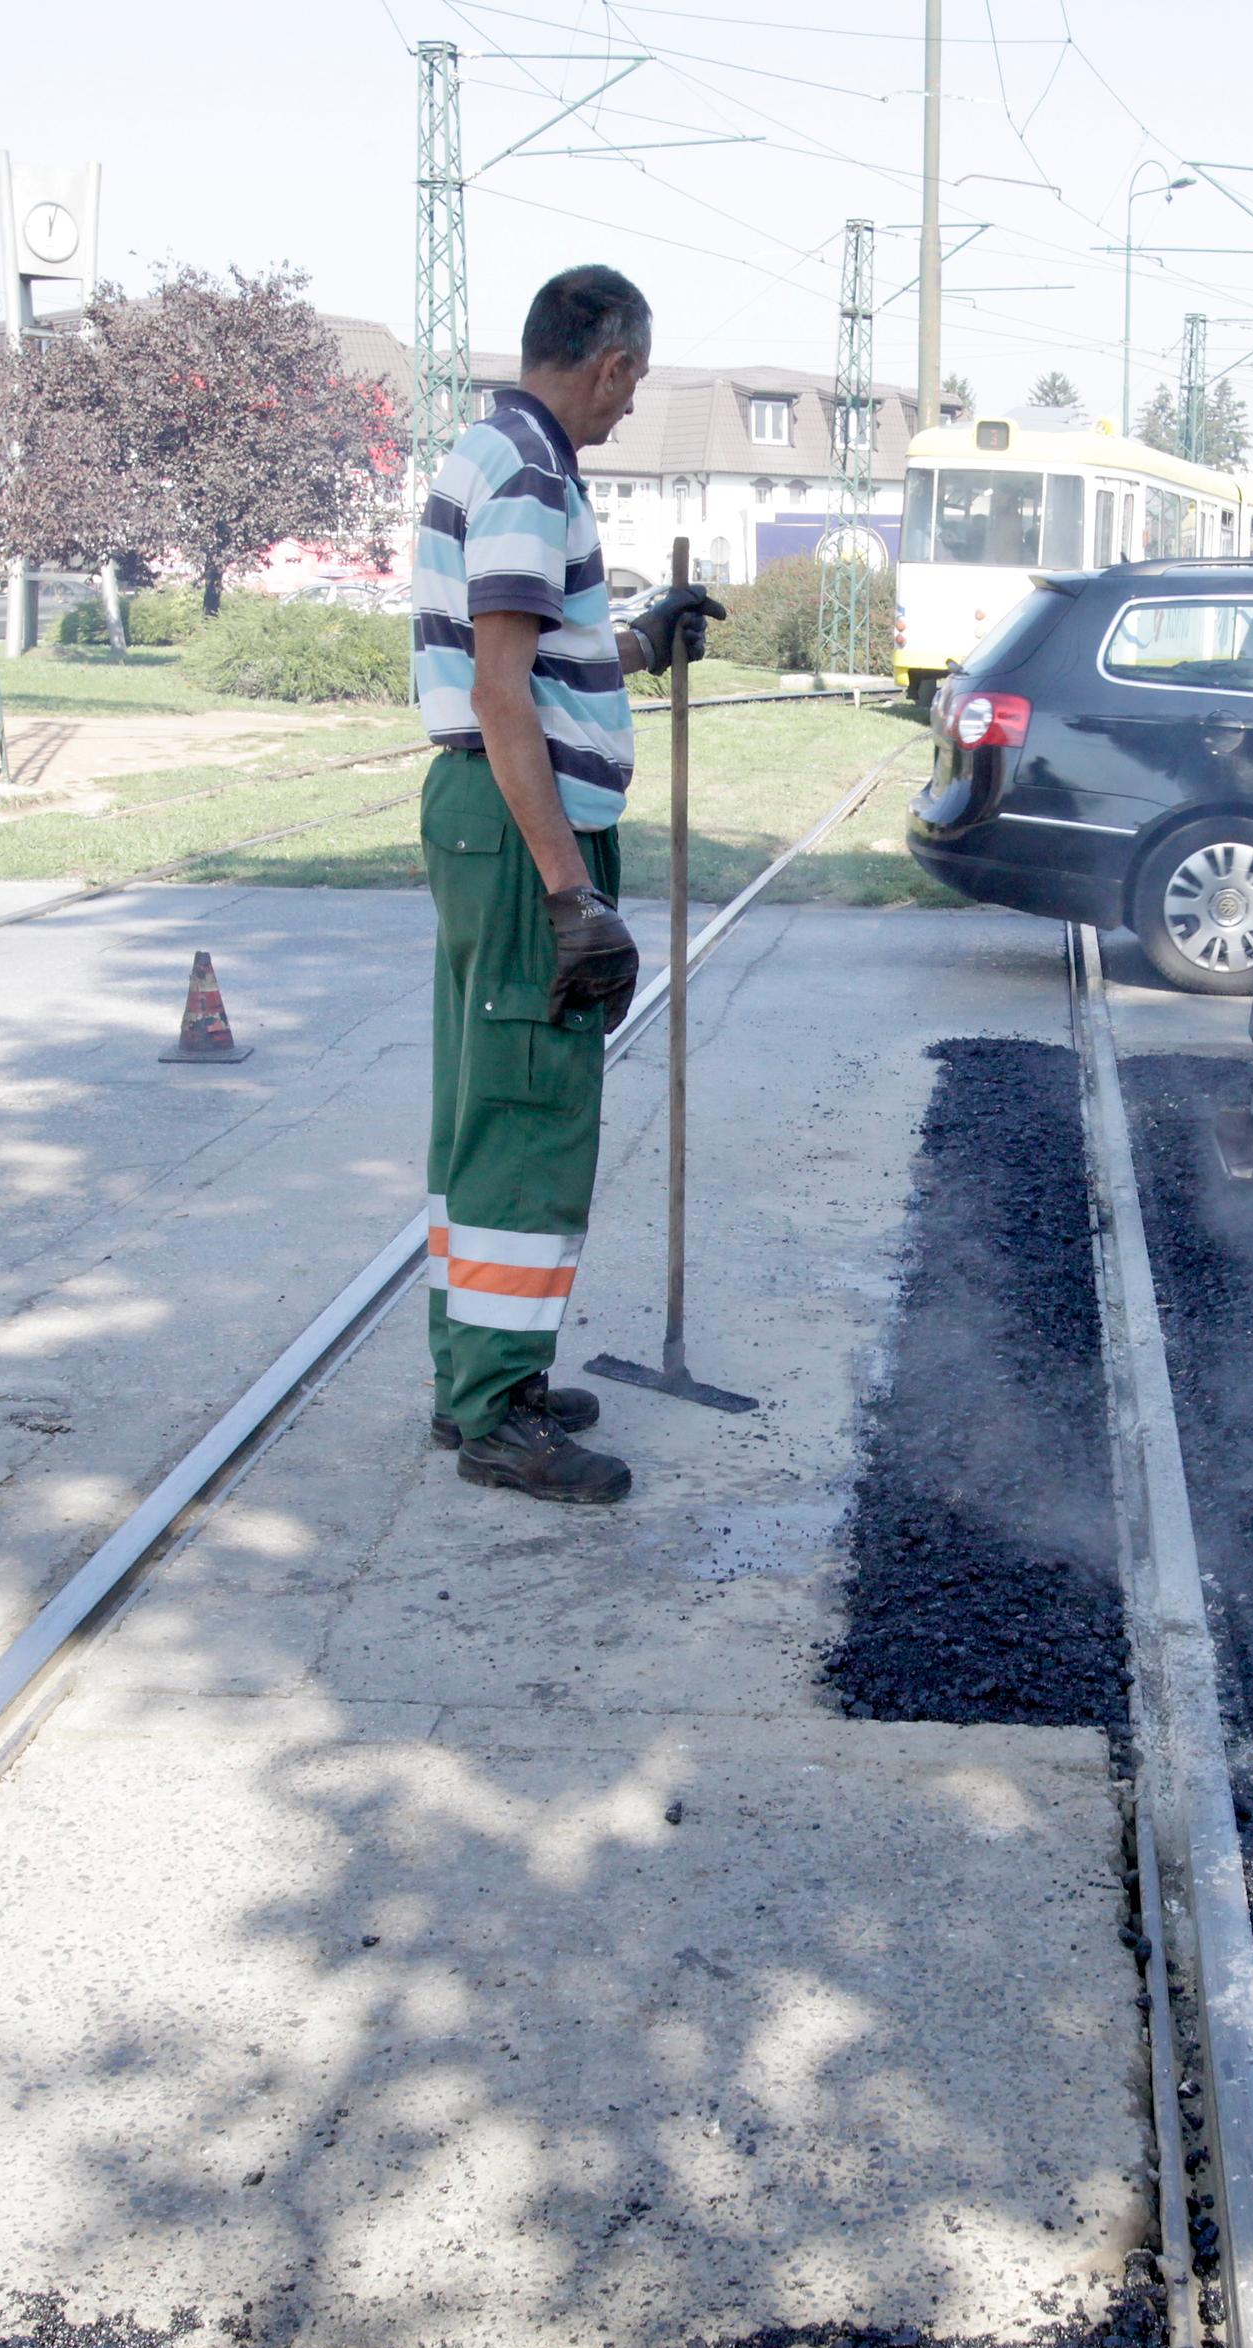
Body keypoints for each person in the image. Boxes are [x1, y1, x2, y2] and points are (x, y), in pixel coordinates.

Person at [411, 265, 722, 1503]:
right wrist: (568, 895)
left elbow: (535, 662)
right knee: (533, 1111)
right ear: (608, 363)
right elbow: (499, 696)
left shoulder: (489, 453)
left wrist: (642, 638)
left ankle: (480, 1378)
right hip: (521, 825)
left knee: (485, 1101)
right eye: (632, 383)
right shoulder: (536, 478)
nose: (629, 407)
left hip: (488, 817)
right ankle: (496, 1411)